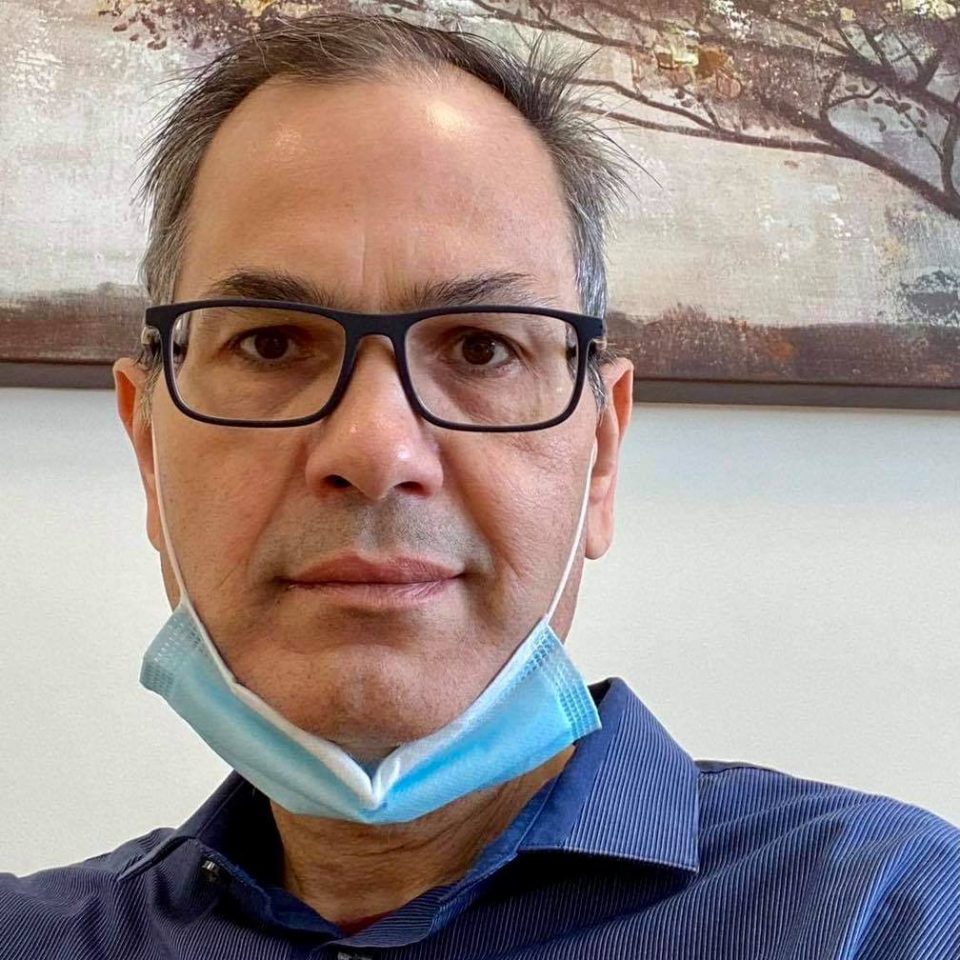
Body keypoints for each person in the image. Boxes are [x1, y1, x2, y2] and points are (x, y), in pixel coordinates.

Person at [2, 13, 957, 959]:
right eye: (272, 344)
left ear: (601, 457)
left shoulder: (893, 917)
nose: (377, 451)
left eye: (480, 348)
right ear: (148, 447)